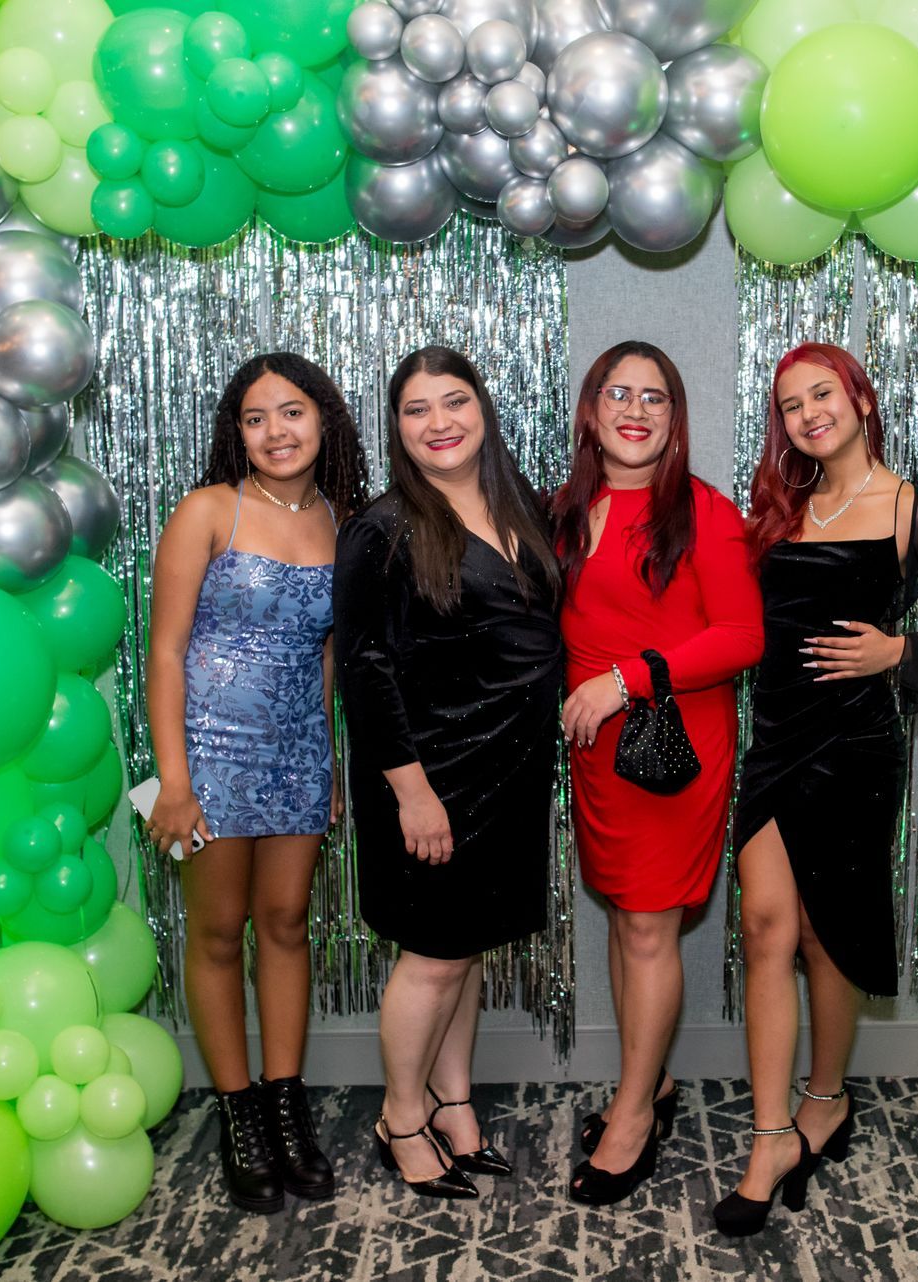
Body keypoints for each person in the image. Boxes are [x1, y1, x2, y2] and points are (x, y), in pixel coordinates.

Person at [716, 342, 918, 1237]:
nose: (809, 414)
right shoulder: (778, 506)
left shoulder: (910, 510)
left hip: (854, 747)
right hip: (776, 739)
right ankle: (771, 1135)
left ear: (861, 401)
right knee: (764, 926)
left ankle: (826, 1101)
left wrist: (900, 649)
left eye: (822, 394)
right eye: (791, 405)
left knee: (825, 931)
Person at [335, 345, 565, 1200]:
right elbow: (364, 667)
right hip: (430, 773)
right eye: (416, 409)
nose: (440, 423)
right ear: (397, 429)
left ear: (483, 410)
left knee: (466, 950)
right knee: (431, 957)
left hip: (511, 769)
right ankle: (401, 1117)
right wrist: (411, 790)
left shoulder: (527, 508)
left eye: (454, 401)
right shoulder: (379, 527)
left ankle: (455, 1102)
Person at [145, 351, 370, 1214]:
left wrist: (333, 762)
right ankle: (240, 1118)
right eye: (255, 417)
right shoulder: (209, 510)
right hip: (206, 752)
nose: (276, 432)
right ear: (234, 432)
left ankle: (286, 1106)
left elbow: (326, 659)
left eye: (292, 413)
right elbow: (164, 651)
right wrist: (174, 781)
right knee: (216, 931)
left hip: (299, 755)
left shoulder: (342, 520)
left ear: (324, 420)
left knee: (285, 924)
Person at [552, 341, 763, 1205]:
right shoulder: (565, 509)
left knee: (646, 928)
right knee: (624, 918)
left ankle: (634, 1111)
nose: (635, 410)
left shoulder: (705, 512)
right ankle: (654, 1080)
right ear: (593, 412)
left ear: (675, 422)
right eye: (618, 394)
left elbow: (743, 638)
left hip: (672, 750)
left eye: (655, 399)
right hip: (597, 755)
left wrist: (622, 678)